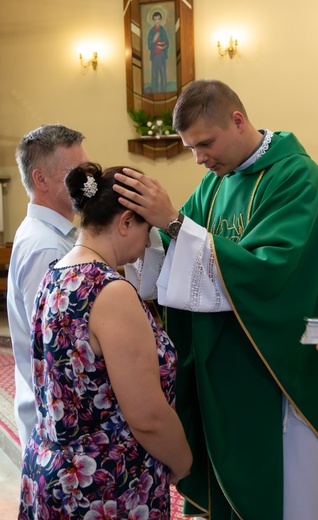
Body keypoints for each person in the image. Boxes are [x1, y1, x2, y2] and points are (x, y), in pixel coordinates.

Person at [112, 79, 318, 519]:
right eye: (190, 148)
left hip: (269, 365)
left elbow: (271, 273)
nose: (200, 158)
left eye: (205, 143)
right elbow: (177, 247)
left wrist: (171, 222)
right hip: (220, 366)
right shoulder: (217, 181)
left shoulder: (295, 176)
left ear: (238, 120)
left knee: (282, 491)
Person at [18, 162, 192, 519]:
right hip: (102, 485)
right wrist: (183, 461)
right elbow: (147, 416)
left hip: (52, 471)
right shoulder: (109, 291)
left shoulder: (57, 273)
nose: (147, 244)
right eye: (147, 232)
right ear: (126, 221)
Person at [7, 124, 88, 454]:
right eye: (75, 173)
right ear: (41, 180)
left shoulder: (51, 235)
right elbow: (59, 351)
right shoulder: (48, 248)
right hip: (58, 424)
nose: (86, 182)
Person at [147, 10, 169, 93]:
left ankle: (164, 92)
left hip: (162, 56)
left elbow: (167, 42)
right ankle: (155, 93)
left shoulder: (163, 31)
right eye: (155, 19)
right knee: (154, 76)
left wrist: (163, 45)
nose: (157, 21)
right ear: (153, 20)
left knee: (163, 75)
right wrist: (153, 40)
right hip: (154, 56)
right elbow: (149, 45)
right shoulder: (151, 32)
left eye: (158, 19)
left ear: (161, 20)